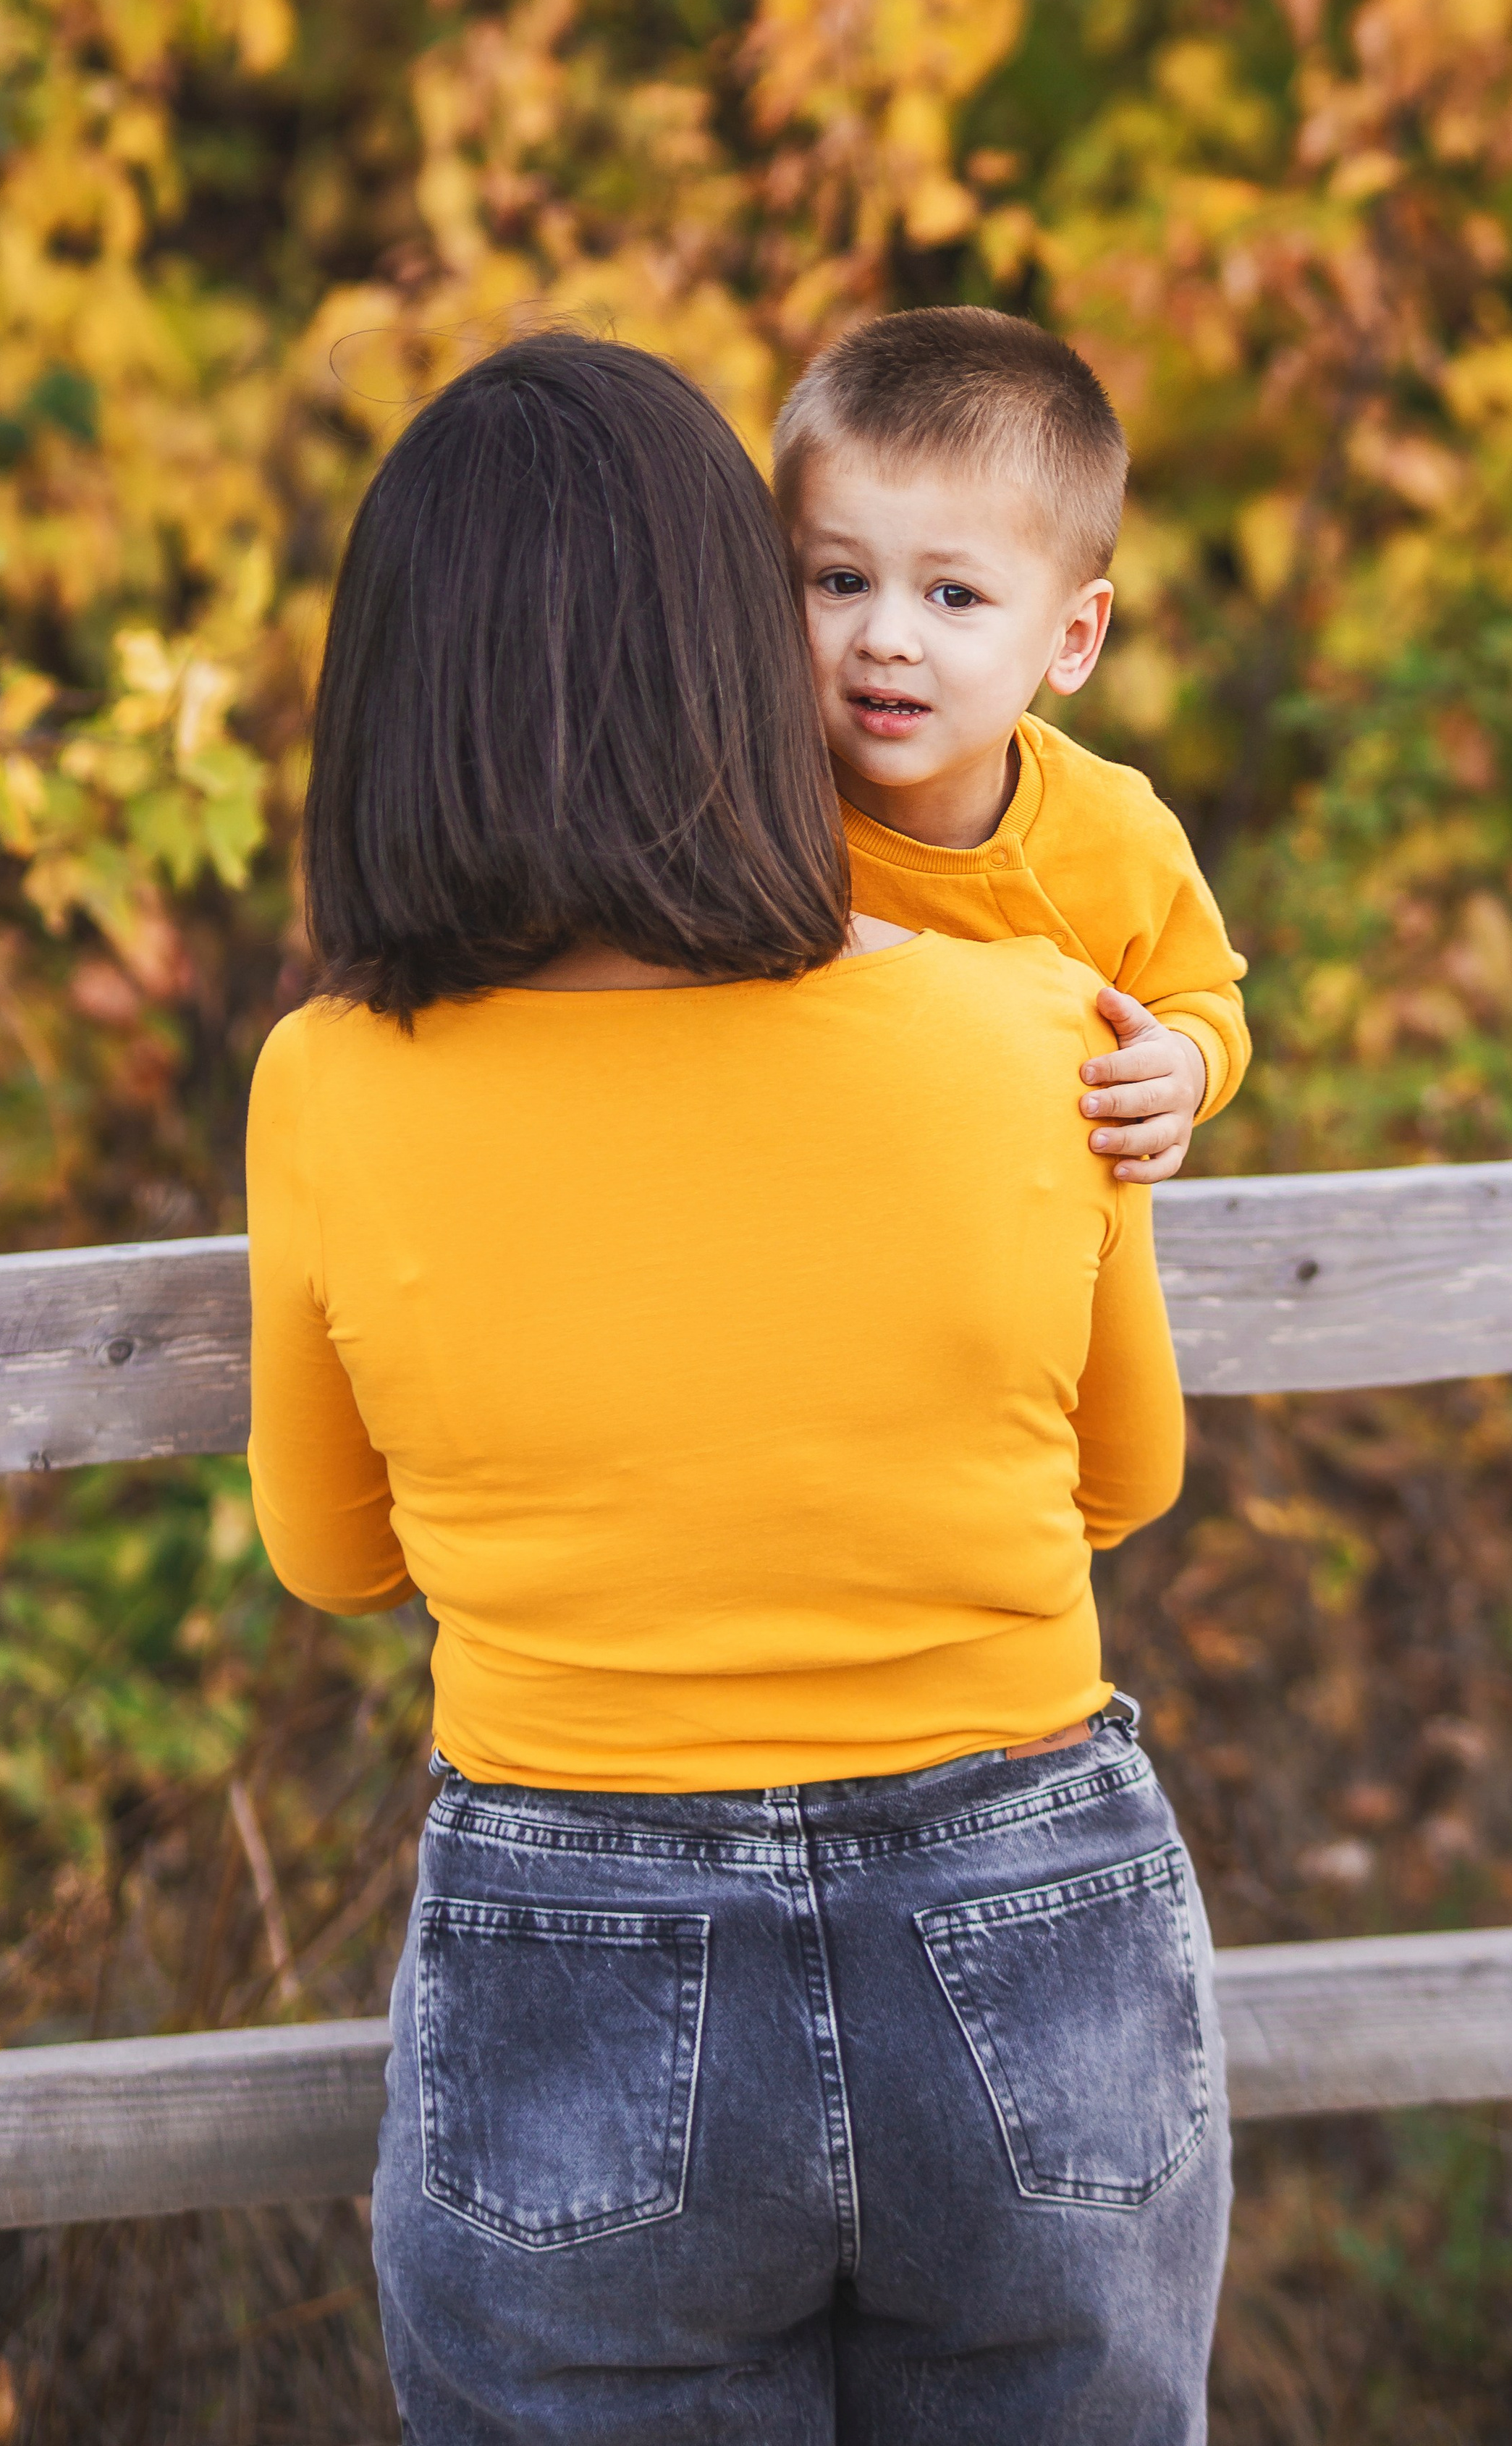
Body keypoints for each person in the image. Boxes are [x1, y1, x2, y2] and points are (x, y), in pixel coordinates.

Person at [245, 332, 1229, 2445]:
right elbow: (1122, 1476)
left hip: (574, 1915)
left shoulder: (330, 1081)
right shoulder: (1038, 1027)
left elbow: (331, 1553)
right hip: (1021, 1893)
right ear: (736, 637)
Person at [776, 304, 1249, 1186]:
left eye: (952, 596)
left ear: (1073, 637)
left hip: (1028, 1264)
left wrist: (1180, 1067)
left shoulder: (1113, 836)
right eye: (841, 581)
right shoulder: (755, 810)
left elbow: (1199, 998)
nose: (885, 636)